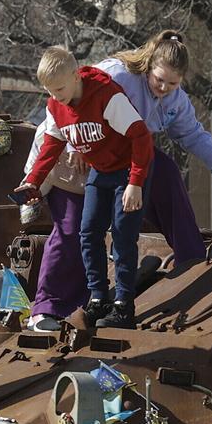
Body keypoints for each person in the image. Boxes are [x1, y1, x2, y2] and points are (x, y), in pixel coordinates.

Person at [23, 31, 212, 331]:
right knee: (76, 227)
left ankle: (191, 258)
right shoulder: (116, 75)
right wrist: (71, 149)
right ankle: (50, 307)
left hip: (121, 157)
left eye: (173, 83)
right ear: (148, 68)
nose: (164, 88)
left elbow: (190, 133)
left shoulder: (174, 100)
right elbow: (69, 102)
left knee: (164, 173)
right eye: (159, 80)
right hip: (71, 155)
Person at [16, 47, 154, 330]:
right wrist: (34, 179)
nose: (56, 96)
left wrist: (135, 183)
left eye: (60, 89)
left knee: (122, 234)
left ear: (76, 76)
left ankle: (123, 304)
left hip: (127, 172)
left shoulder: (106, 95)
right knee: (88, 232)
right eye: (50, 91)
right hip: (100, 172)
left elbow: (141, 136)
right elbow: (52, 144)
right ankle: (99, 297)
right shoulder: (56, 105)